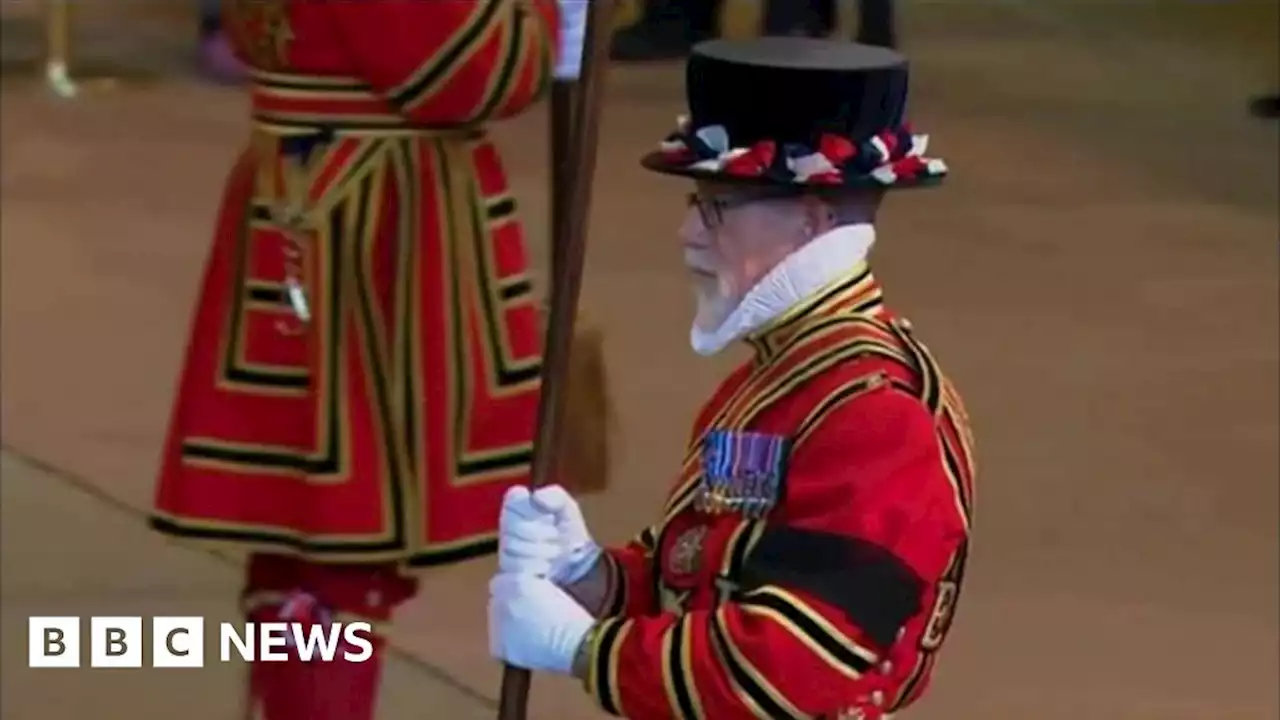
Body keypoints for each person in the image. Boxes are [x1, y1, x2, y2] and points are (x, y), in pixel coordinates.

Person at [489, 38, 975, 719]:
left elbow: (788, 671)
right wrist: (591, 576)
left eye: (716, 206)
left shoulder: (879, 416)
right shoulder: (782, 378)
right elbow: (700, 578)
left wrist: (584, 649)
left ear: (811, 219)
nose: (687, 231)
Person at [150, 2, 604, 719]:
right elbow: (462, 68)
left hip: (316, 191)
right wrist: (543, 18)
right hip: (369, 219)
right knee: (343, 537)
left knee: (300, 531)